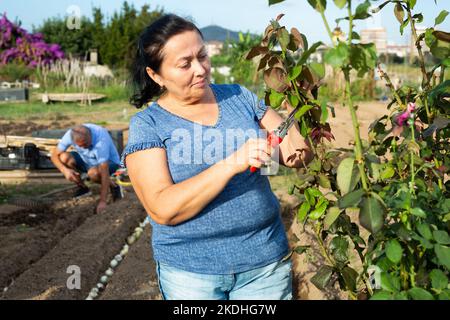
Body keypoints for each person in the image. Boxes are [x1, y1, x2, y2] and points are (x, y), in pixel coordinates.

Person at [122, 14, 314, 300]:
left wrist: (300, 108)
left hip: (264, 265)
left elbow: (297, 155)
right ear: (156, 75)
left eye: (202, 56)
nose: (200, 69)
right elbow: (163, 208)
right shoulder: (148, 125)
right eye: (185, 64)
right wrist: (231, 163)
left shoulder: (238, 97)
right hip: (192, 275)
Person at [51, 124, 123, 214]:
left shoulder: (101, 141)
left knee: (93, 174)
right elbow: (54, 155)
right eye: (79, 146)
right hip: (87, 161)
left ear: (90, 137)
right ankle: (83, 188)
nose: (83, 147)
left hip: (110, 162)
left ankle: (114, 187)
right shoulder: (71, 134)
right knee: (63, 157)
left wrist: (102, 201)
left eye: (85, 144)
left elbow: (104, 171)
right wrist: (65, 171)